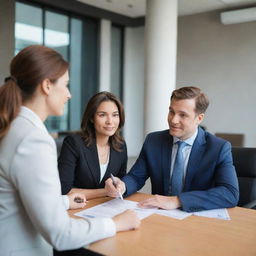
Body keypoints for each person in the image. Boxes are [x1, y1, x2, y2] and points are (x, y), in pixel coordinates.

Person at [0, 45, 140, 256]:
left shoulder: (16, 128)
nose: (69, 94)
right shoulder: (33, 140)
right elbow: (61, 234)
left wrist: (65, 201)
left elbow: (22, 198)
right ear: (47, 85)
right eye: (65, 85)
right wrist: (115, 224)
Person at [105, 86, 239, 212]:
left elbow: (229, 193)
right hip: (161, 216)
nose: (173, 120)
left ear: (199, 118)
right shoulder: (154, 141)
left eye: (183, 115)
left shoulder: (218, 148)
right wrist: (122, 186)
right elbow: (136, 177)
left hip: (197, 218)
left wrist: (178, 201)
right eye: (171, 112)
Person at [58, 91, 127, 199]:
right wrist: (105, 192)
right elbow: (63, 190)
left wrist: (120, 185)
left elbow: (121, 179)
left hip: (106, 207)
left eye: (115, 115)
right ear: (91, 118)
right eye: (102, 115)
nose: (110, 121)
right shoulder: (73, 143)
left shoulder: (120, 146)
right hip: (76, 208)